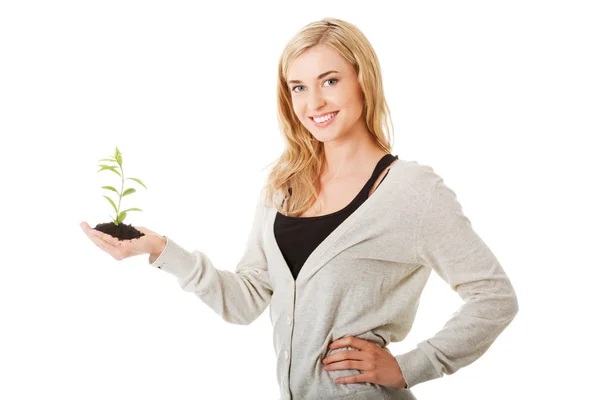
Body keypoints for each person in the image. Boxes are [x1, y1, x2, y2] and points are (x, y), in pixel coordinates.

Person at [81, 17, 519, 400]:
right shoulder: (284, 186)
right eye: (299, 87)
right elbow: (247, 301)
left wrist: (410, 367)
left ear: (363, 80)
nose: (314, 104)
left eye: (330, 81)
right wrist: (160, 250)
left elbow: (494, 298)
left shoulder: (411, 190)